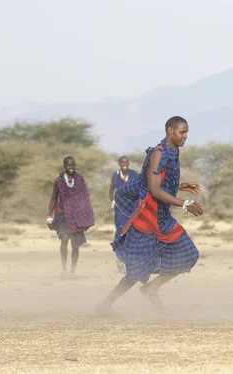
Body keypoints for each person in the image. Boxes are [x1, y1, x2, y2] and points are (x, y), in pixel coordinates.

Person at [95, 116, 203, 314]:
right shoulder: (158, 154)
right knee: (136, 271)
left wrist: (178, 186)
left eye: (187, 132)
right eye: (182, 132)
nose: (185, 136)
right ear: (170, 131)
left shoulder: (173, 152)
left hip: (162, 218)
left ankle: (151, 288)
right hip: (148, 218)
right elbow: (153, 190)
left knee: (190, 255)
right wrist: (184, 203)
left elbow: (157, 183)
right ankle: (105, 304)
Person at [46, 156, 95, 279]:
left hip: (77, 215)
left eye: (73, 165)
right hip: (62, 214)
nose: (71, 168)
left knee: (75, 246)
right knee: (64, 239)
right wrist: (49, 215)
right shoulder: (59, 181)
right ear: (64, 166)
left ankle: (73, 271)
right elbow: (53, 198)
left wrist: (86, 214)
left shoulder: (80, 180)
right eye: (68, 165)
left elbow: (85, 198)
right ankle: (64, 269)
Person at [108, 156, 138, 274]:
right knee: (121, 231)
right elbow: (111, 190)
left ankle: (130, 261)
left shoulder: (134, 174)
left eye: (126, 162)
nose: (124, 164)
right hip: (120, 208)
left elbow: (139, 188)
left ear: (128, 163)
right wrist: (112, 200)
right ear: (119, 163)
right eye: (122, 162)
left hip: (131, 207)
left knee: (133, 231)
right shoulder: (115, 175)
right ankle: (120, 258)